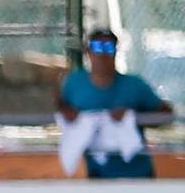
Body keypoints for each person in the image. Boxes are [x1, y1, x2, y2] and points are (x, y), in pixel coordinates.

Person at [59, 28, 171, 180]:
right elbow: (58, 104)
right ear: (88, 51)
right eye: (98, 47)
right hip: (97, 174)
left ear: (116, 51)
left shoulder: (135, 85)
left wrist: (133, 118)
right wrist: (66, 111)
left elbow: (166, 115)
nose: (103, 54)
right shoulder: (74, 83)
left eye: (109, 48)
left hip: (137, 173)